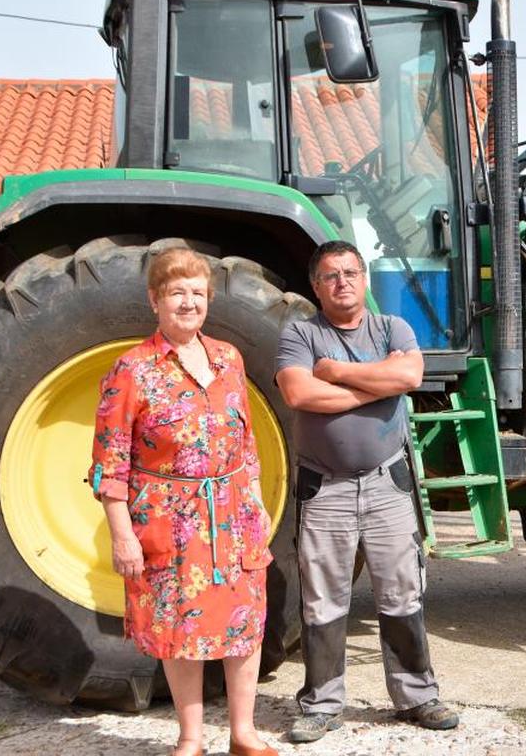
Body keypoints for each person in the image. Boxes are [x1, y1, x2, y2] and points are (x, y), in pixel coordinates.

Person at [88, 247, 279, 756]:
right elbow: (110, 461)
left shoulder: (228, 358)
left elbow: (247, 441)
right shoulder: (131, 369)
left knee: (244, 622)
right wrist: (122, 532)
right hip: (170, 521)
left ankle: (244, 734)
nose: (189, 303)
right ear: (156, 301)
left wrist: (256, 502)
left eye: (198, 293)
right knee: (179, 627)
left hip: (234, 513)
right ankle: (190, 738)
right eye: (177, 293)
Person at [276, 240, 459, 743]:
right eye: (331, 275)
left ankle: (417, 697)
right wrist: (376, 386)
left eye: (351, 272)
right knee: (323, 602)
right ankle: (322, 704)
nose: (343, 282)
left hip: (387, 483)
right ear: (316, 285)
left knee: (402, 593)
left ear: (365, 279)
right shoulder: (300, 333)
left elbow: (411, 375)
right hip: (324, 487)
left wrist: (336, 374)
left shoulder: (391, 328)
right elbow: (298, 392)